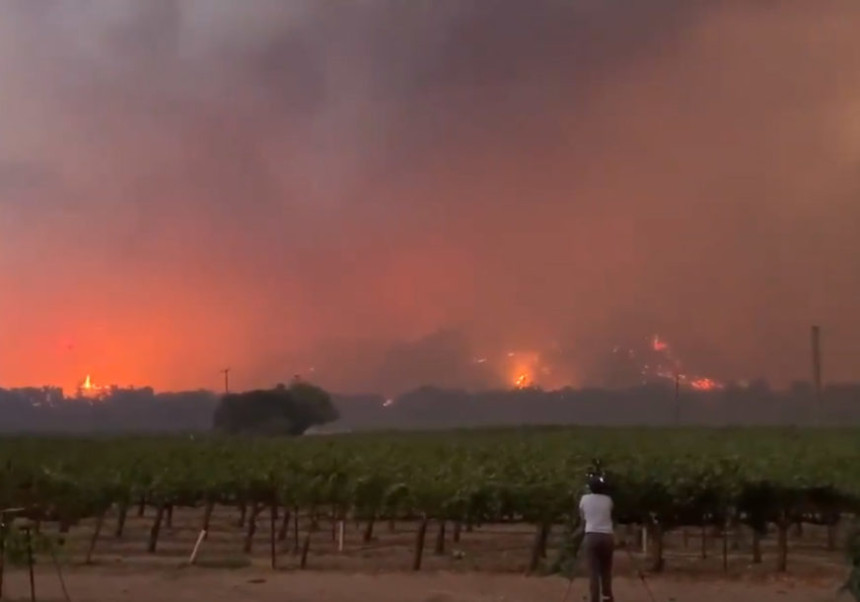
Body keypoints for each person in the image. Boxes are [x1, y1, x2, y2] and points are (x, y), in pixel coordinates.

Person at [579, 473, 615, 602]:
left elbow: (583, 519)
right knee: (606, 569)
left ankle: (594, 599)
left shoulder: (584, 499)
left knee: (593, 571)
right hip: (607, 536)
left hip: (592, 535)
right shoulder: (608, 499)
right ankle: (607, 596)